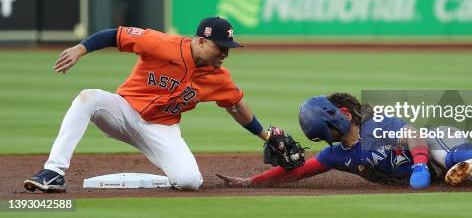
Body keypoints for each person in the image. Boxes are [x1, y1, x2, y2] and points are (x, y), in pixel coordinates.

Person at [24, 17, 281, 192]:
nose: (225, 53)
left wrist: (266, 136)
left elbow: (236, 106)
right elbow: (116, 35)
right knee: (87, 98)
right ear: (200, 41)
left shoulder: (219, 77)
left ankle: (165, 179)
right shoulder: (160, 44)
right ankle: (53, 172)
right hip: (122, 113)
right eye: (221, 47)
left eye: (229, 48)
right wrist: (81, 49)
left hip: (161, 129)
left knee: (189, 181)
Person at [216, 93, 472, 189]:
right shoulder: (335, 155)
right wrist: (251, 182)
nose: (323, 137)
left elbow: (413, 134)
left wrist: (418, 164)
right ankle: (468, 173)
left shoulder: (377, 123)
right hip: (426, 170)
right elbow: (298, 172)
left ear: (341, 117)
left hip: (436, 145)